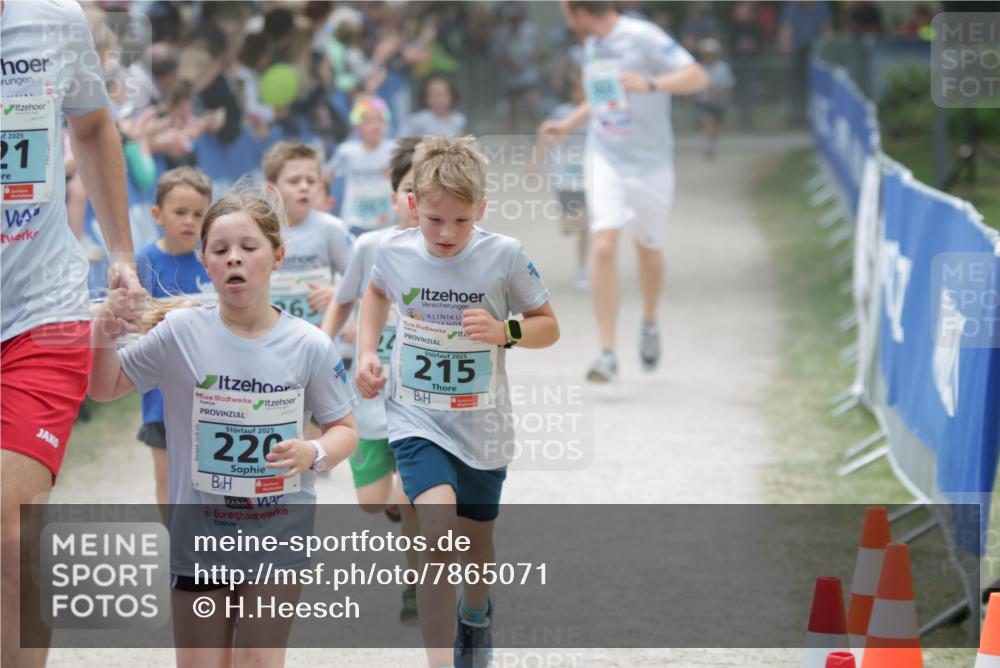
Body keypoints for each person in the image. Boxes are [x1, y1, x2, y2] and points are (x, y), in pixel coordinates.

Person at [89, 189, 358, 666]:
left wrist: (313, 453)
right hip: (201, 538)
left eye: (248, 248)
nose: (234, 258)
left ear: (277, 256)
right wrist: (102, 339)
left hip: (278, 534)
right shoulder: (180, 333)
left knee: (258, 660)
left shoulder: (309, 345)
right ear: (205, 262)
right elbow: (105, 387)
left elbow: (344, 428)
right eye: (220, 250)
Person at [355, 136, 560, 668]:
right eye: (435, 220)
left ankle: (476, 616)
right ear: (413, 207)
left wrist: (502, 329)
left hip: (483, 426)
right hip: (416, 418)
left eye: (462, 222)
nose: (447, 234)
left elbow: (549, 327)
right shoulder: (392, 252)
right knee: (438, 540)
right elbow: (375, 293)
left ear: (482, 211)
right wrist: (365, 352)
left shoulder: (504, 255)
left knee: (476, 547)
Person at [1, 1, 147, 665]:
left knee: (8, 533)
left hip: (41, 312)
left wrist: (119, 251)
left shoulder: (55, 19)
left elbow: (91, 127)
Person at [539, 0, 708, 382]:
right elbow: (603, 97)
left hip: (651, 163)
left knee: (648, 251)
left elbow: (698, 76)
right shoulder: (591, 47)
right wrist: (567, 123)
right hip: (605, 157)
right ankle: (606, 352)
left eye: (567, 11)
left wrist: (653, 83)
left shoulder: (642, 36)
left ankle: (649, 321)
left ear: (580, 13)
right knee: (603, 245)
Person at [323, 136, 423, 624]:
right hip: (370, 398)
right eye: (409, 190)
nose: (418, 202)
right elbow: (344, 299)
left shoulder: (449, 253)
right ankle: (395, 509)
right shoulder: (370, 245)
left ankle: (415, 583)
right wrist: (321, 347)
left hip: (421, 402)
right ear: (393, 198)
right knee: (371, 502)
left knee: (413, 494)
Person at [135, 167, 215, 510]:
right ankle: (176, 552)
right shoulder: (144, 261)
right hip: (161, 395)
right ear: (157, 214)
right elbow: (132, 325)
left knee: (210, 478)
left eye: (199, 214)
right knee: (167, 480)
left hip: (212, 391)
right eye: (180, 212)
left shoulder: (215, 258)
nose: (189, 221)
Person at [262, 141, 354, 328]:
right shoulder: (259, 231)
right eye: (294, 181)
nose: (304, 187)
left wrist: (336, 292)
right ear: (271, 190)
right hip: (270, 337)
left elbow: (359, 281)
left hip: (319, 336)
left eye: (311, 181)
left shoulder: (332, 228)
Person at [538, 68, 589, 291]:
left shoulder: (599, 113)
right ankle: (573, 223)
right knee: (570, 227)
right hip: (565, 177)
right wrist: (534, 162)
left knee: (587, 225)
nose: (580, 93)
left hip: (592, 177)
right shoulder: (562, 112)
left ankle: (582, 270)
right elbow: (544, 136)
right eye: (577, 88)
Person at [326, 96, 397, 236]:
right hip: (355, 222)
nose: (375, 125)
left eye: (380, 120)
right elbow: (327, 176)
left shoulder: (394, 150)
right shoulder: (347, 151)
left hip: (387, 221)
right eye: (369, 121)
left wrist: (395, 175)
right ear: (358, 126)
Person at [778, 1, 833, 125]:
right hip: (798, 52)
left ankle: (816, 115)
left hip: (816, 52)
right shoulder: (791, 7)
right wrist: (784, 46)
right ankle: (797, 116)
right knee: (797, 86)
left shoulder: (821, 6)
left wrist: (828, 47)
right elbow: (786, 28)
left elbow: (826, 28)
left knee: (816, 85)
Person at [695, 38, 734, 159]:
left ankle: (712, 143)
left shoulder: (723, 68)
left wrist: (716, 93)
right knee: (709, 121)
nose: (709, 57)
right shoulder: (700, 67)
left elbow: (728, 85)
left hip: (719, 102)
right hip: (704, 102)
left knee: (716, 125)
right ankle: (709, 146)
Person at [401, 76, 467, 138]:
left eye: (442, 95)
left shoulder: (459, 119)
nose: (438, 99)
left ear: (452, 96)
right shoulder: (416, 120)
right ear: (425, 97)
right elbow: (402, 141)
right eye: (433, 95)